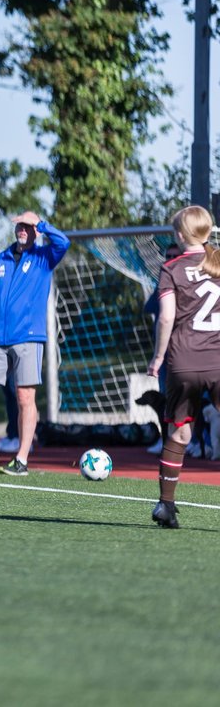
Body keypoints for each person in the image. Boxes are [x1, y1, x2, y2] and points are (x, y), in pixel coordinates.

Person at [0, 210, 70, 477]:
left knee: (25, 397)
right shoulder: (2, 258)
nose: (22, 229)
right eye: (19, 226)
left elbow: (64, 242)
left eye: (27, 226)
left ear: (35, 229)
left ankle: (21, 458)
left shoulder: (44, 257)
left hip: (28, 338)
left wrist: (42, 224)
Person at [147, 206, 220, 529]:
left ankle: (166, 505)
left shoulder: (172, 269)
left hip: (184, 361)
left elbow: (165, 317)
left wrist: (158, 357)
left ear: (179, 234)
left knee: (180, 431)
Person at [142, 242, 182, 455]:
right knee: (167, 399)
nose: (171, 259)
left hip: (187, 351)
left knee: (190, 401)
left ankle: (191, 442)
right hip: (166, 353)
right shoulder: (163, 281)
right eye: (168, 255)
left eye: (176, 255)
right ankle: (167, 439)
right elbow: (153, 310)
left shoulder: (189, 282)